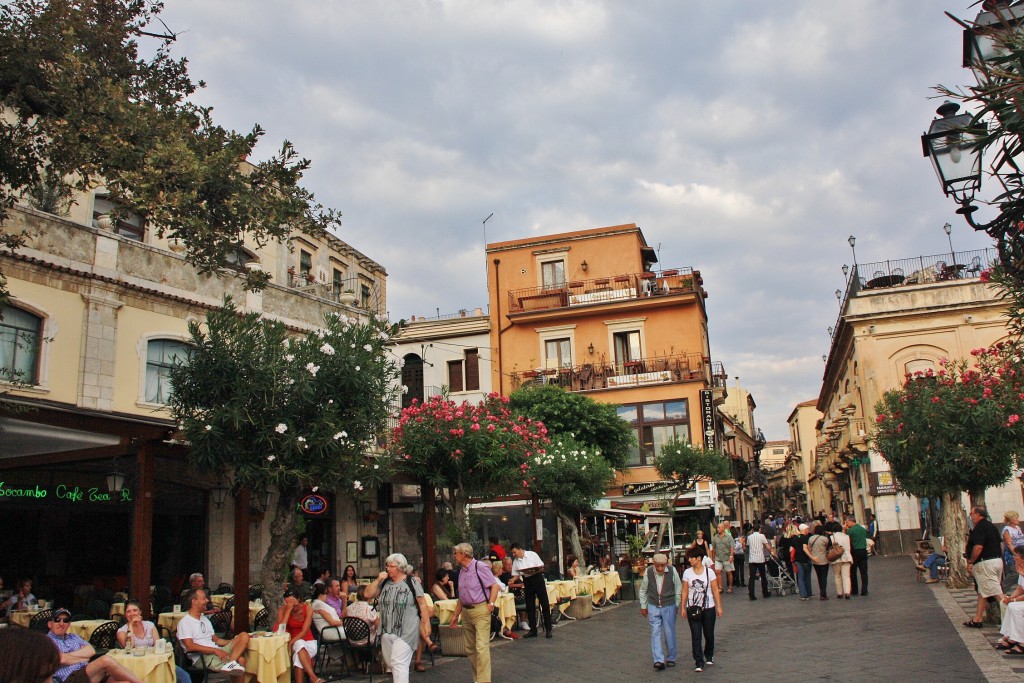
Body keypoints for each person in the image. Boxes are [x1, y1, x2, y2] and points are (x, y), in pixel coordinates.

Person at [364, 553, 430, 683]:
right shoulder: (384, 582)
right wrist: (377, 580)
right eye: (387, 566)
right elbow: (367, 594)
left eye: (391, 566)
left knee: (399, 663)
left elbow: (422, 603)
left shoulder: (411, 582)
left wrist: (426, 623)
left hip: (407, 629)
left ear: (400, 568)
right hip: (386, 630)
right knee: (391, 664)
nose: (388, 569)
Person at [47, 607, 145, 683]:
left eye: (65, 620)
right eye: (57, 619)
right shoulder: (47, 641)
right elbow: (62, 659)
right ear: (50, 624)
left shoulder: (73, 636)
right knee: (105, 660)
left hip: (89, 673)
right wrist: (83, 658)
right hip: (69, 678)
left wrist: (69, 657)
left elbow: (91, 651)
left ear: (69, 624)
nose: (61, 623)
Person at [449, 543, 500, 682]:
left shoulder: (480, 566)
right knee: (470, 648)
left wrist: (490, 604)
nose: (454, 556)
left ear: (464, 554)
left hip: (480, 610)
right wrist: (456, 615)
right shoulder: (462, 571)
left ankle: (484, 680)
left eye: (456, 553)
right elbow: (462, 595)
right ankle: (478, 677)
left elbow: (494, 586)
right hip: (466, 611)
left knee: (481, 647)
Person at [116, 601, 192, 683]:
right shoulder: (121, 631)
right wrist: (130, 625)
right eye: (128, 611)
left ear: (140, 612)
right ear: (125, 614)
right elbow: (129, 647)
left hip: (155, 662)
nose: (132, 614)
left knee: (184, 676)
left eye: (135, 610)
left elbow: (158, 645)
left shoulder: (150, 625)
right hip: (136, 665)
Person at [177, 588, 249, 673]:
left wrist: (235, 640)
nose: (207, 600)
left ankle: (230, 664)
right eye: (204, 598)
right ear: (194, 602)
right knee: (240, 660)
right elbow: (190, 646)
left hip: (216, 651)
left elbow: (217, 640)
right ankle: (230, 665)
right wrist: (215, 650)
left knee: (244, 636)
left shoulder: (204, 619)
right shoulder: (185, 622)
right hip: (202, 657)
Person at [680, 546, 723, 673]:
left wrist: (719, 606)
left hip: (708, 607)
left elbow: (715, 590)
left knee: (709, 634)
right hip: (693, 607)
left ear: (698, 558)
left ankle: (709, 654)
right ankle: (699, 661)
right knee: (696, 635)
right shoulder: (687, 573)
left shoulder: (709, 572)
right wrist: (683, 607)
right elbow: (685, 590)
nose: (689, 560)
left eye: (691, 558)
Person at [639, 552, 681, 671]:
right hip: (653, 605)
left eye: (663, 566)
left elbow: (678, 588)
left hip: (669, 605)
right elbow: (643, 590)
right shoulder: (649, 572)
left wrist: (676, 604)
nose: (660, 568)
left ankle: (671, 657)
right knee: (655, 632)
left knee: (669, 632)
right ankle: (658, 659)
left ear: (666, 564)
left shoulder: (672, 571)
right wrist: (643, 606)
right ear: (654, 564)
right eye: (658, 566)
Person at [965, 505, 1004, 628]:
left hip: (985, 563)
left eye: (971, 514)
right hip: (996, 560)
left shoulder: (980, 528)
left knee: (996, 592)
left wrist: (971, 561)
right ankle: (977, 619)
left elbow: (978, 547)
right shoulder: (992, 526)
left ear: (978, 514)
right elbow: (1000, 544)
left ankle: (1015, 618)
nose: (970, 516)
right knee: (983, 591)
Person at [274, 589, 323, 683]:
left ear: (299, 599)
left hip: (308, 642)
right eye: (289, 604)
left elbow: (304, 631)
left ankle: (312, 678)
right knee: (299, 644)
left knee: (298, 654)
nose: (293, 607)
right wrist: (288, 610)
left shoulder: (308, 609)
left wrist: (292, 642)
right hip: (292, 644)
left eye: (294, 604)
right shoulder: (282, 610)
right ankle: (314, 678)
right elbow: (280, 631)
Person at [510, 542, 552, 638]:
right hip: (527, 580)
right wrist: (513, 580)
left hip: (537, 579)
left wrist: (534, 571)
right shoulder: (516, 561)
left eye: (514, 552)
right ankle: (533, 630)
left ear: (520, 549)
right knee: (530, 606)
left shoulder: (532, 554)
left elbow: (541, 566)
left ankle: (548, 629)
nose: (513, 554)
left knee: (544, 603)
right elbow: (516, 574)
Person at [996, 546, 1024, 653]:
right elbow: (1020, 588)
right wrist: (1011, 597)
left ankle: (1020, 641)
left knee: (1016, 608)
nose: (1014, 557)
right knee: (1008, 605)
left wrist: (1015, 600)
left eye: (1016, 555)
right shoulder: (1020, 568)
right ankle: (1010, 636)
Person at [845, 514, 870, 597]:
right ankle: (864, 590)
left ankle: (854, 590)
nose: (846, 524)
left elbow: (846, 539)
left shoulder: (850, 531)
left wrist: (844, 530)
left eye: (847, 522)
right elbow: (867, 537)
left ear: (851, 521)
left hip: (854, 552)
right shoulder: (863, 529)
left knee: (853, 571)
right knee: (864, 572)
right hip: (863, 551)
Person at [805, 523, 831, 600]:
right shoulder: (825, 539)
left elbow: (809, 548)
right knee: (824, 577)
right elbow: (828, 548)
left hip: (815, 560)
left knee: (819, 576)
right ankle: (823, 593)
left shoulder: (811, 538)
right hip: (824, 560)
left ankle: (821, 591)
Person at [745, 525, 772, 600]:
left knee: (752, 578)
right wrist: (771, 552)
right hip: (760, 559)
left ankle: (751, 594)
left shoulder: (749, 537)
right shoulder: (762, 536)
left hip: (752, 559)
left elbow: (747, 545)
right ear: (759, 529)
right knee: (763, 576)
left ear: (753, 529)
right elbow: (767, 546)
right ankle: (765, 592)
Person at [830, 522, 853, 599]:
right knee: (846, 576)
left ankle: (839, 593)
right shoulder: (846, 537)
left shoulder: (831, 537)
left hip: (836, 559)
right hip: (846, 557)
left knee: (837, 576)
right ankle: (847, 592)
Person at [1003, 511, 1024, 591]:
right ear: (1011, 519)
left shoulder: (1017, 528)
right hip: (1013, 553)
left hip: (1021, 552)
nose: (1018, 520)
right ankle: (1003, 588)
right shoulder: (1007, 530)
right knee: (1014, 572)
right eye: (1016, 518)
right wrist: (1015, 554)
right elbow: (1009, 544)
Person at [710, 522, 734, 594]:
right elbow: (714, 548)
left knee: (729, 572)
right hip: (718, 557)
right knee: (718, 572)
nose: (717, 529)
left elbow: (732, 547)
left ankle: (730, 587)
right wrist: (713, 558)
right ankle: (720, 587)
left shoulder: (729, 537)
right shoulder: (715, 537)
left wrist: (731, 556)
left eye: (719, 527)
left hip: (727, 557)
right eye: (717, 527)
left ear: (723, 528)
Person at [793, 523, 813, 600]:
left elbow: (791, 549)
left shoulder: (795, 538)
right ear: (805, 529)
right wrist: (812, 557)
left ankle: (803, 595)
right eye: (807, 529)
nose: (808, 530)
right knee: (807, 577)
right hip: (805, 559)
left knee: (800, 578)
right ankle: (809, 593)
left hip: (797, 559)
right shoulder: (805, 538)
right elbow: (806, 549)